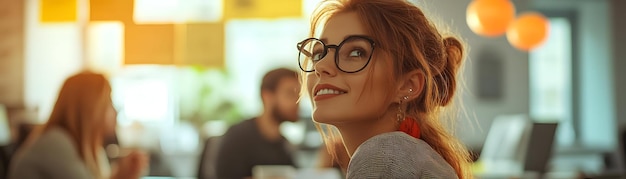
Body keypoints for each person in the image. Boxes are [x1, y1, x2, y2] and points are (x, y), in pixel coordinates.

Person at [296, 0, 473, 178]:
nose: (321, 65)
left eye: (356, 52)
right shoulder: (405, 155)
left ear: (407, 85)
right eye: (319, 53)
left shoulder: (385, 156)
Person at [8, 72, 149, 179]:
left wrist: (121, 175)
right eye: (108, 101)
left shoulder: (91, 149)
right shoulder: (56, 142)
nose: (115, 110)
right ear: (89, 108)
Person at [215, 68, 301, 179]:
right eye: (290, 94)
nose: (297, 102)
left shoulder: (285, 146)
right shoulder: (237, 136)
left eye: (299, 96)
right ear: (267, 96)